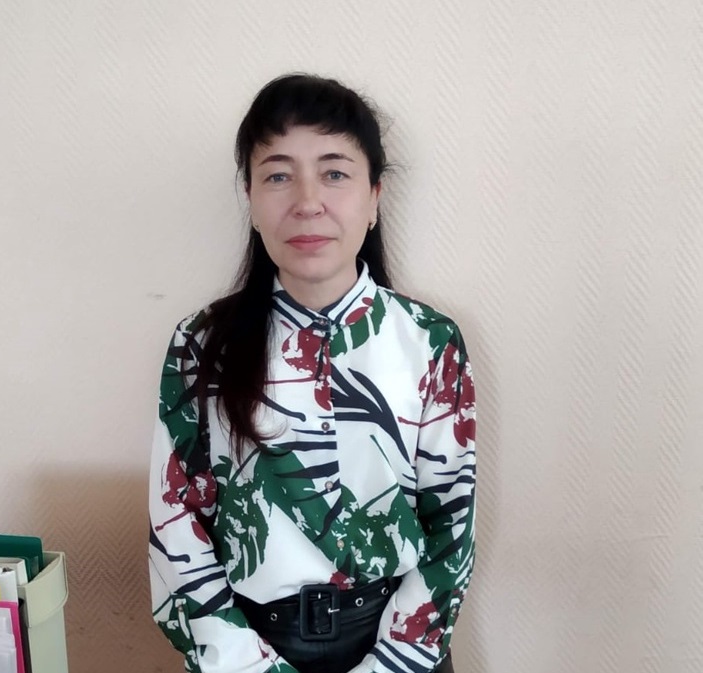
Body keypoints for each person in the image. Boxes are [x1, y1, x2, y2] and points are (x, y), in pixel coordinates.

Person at [149, 73, 476, 673]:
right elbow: (176, 525)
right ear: (250, 199)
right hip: (244, 649)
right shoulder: (201, 345)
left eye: (334, 173)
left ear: (374, 198)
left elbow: (451, 525)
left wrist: (392, 663)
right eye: (278, 175)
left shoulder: (430, 341)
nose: (306, 201)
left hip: (400, 646)